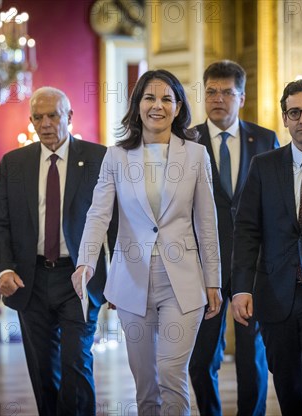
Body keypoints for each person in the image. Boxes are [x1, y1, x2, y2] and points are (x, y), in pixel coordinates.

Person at [71, 69, 222, 416]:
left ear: (178, 105)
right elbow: (98, 214)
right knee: (145, 384)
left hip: (182, 281)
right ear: (137, 105)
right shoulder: (116, 157)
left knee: (172, 372)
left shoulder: (196, 156)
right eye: (149, 97)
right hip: (132, 281)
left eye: (166, 98)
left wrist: (213, 280)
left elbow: (207, 222)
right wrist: (86, 262)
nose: (158, 105)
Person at [0, 86, 113, 415]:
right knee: (44, 372)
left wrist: (119, 278)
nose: (45, 123)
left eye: (53, 115)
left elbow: (116, 224)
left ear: (69, 117)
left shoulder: (99, 158)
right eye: (38, 117)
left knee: (77, 365)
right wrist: (4, 268)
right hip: (31, 279)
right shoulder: (14, 163)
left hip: (79, 278)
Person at [231, 79, 302, 415]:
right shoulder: (264, 166)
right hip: (277, 296)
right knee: (289, 385)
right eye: (295, 112)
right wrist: (240, 289)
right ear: (285, 118)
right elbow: (247, 230)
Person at [189, 60, 278, 416]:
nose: (218, 99)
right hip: (202, 265)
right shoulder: (188, 141)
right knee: (201, 358)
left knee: (250, 356)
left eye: (227, 92)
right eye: (211, 91)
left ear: (242, 97)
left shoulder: (266, 139)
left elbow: (272, 206)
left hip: (252, 265)